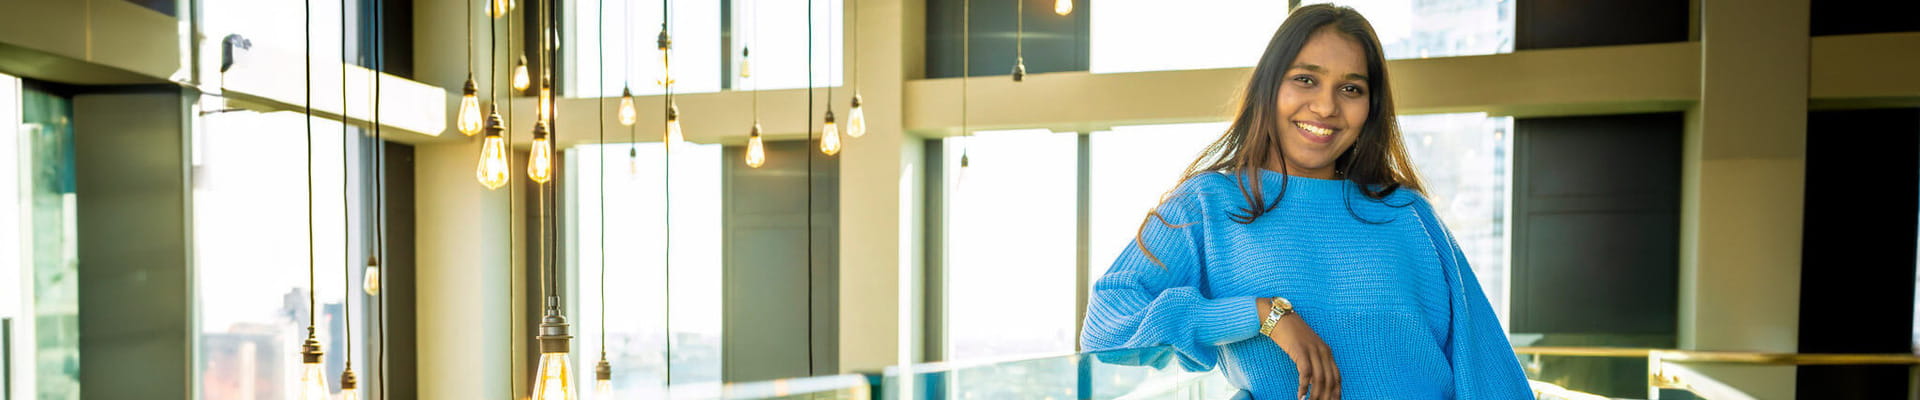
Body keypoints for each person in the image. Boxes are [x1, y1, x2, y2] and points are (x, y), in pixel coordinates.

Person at [1079, 4, 1531, 400]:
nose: (1326, 106)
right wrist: (1262, 314)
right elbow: (1104, 328)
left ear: (1370, 108)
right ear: (1269, 88)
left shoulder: (1407, 214)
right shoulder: (1206, 206)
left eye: (1351, 89)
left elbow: (1486, 367)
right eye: (1305, 80)